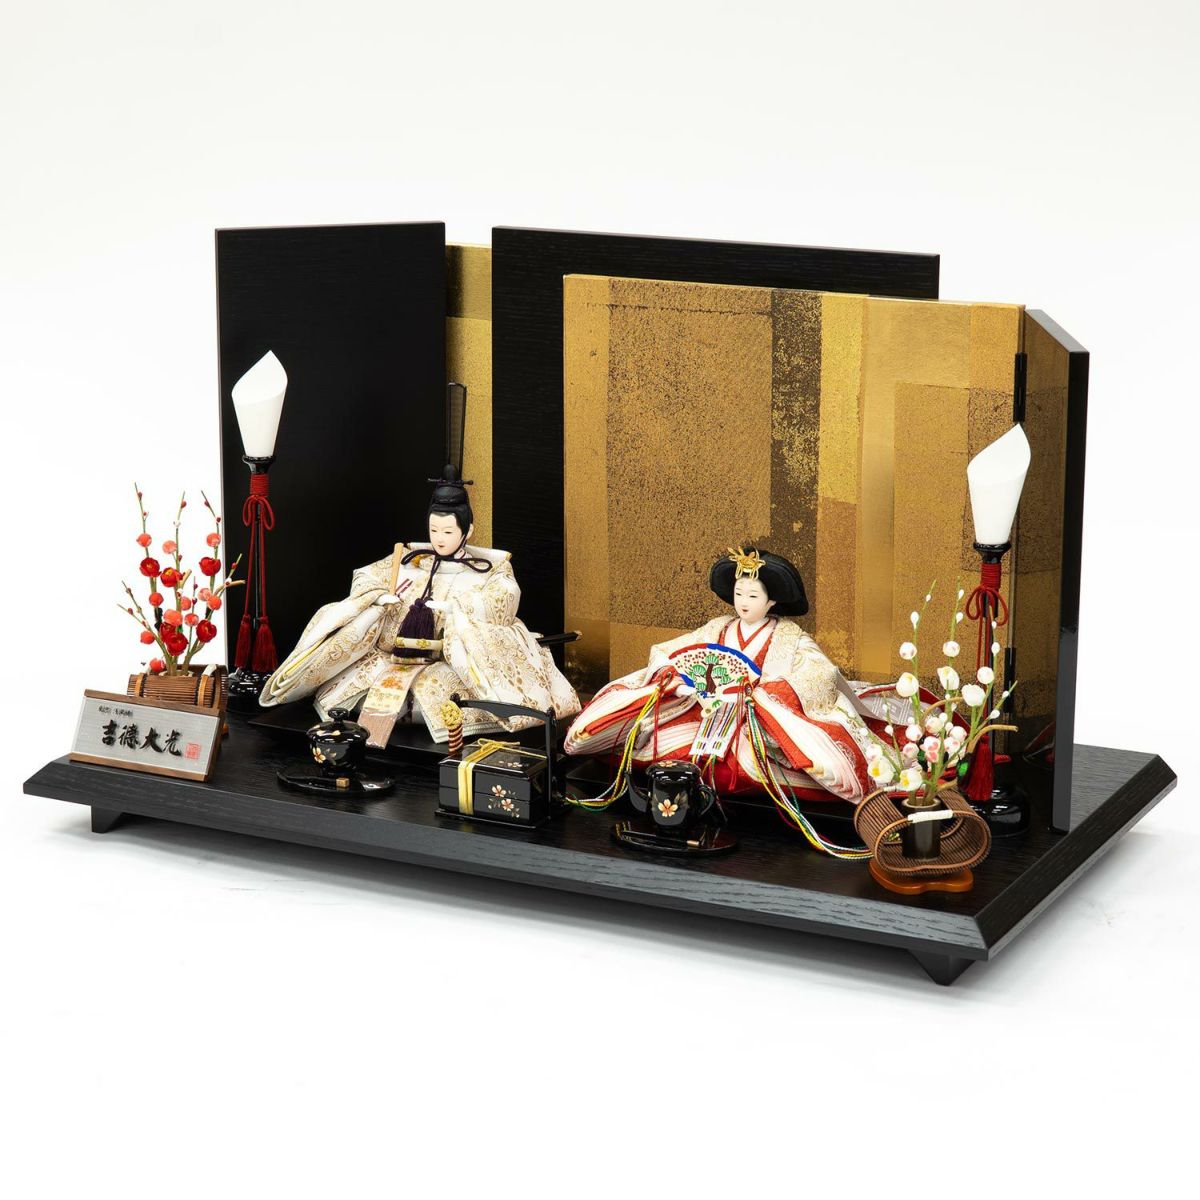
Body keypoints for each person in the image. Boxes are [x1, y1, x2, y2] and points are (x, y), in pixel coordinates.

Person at [259, 465, 580, 747]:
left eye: (448, 531)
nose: (439, 538)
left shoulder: (491, 569)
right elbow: (368, 577)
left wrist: (456, 609)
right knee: (363, 682)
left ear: (467, 530)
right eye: (434, 530)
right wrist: (378, 597)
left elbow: (503, 599)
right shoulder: (411, 559)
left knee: (435, 692)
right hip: (394, 655)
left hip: (445, 661)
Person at [564, 546, 873, 802]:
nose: (743, 603)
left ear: (772, 600)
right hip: (704, 713)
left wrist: (762, 696)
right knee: (657, 743)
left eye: (753, 596)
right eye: (739, 594)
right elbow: (669, 654)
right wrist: (680, 683)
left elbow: (818, 673)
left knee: (754, 763)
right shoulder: (717, 627)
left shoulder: (791, 637)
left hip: (756, 721)